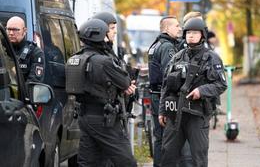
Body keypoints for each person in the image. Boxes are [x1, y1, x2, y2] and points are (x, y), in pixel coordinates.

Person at [65, 18, 137, 167]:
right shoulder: (103, 61)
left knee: (89, 162)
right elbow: (125, 82)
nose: (108, 36)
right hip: (104, 120)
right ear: (98, 37)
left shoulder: (75, 59)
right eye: (106, 33)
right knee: (126, 161)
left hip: (84, 117)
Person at [159, 18, 227, 167]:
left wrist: (201, 91)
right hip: (175, 114)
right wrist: (162, 111)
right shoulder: (177, 57)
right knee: (167, 155)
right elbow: (166, 86)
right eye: (188, 32)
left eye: (195, 32)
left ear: (202, 35)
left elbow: (221, 84)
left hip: (198, 115)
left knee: (198, 158)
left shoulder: (211, 58)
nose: (191, 35)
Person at [148, 16, 193, 167]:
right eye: (176, 26)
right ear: (167, 28)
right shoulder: (167, 47)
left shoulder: (156, 44)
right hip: (163, 97)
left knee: (159, 138)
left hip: (155, 95)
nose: (180, 28)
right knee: (166, 139)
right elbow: (171, 75)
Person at [6, 16, 45, 82]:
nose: (11, 33)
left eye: (15, 30)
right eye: (9, 29)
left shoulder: (35, 52)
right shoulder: (2, 50)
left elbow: (33, 83)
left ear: (24, 31)